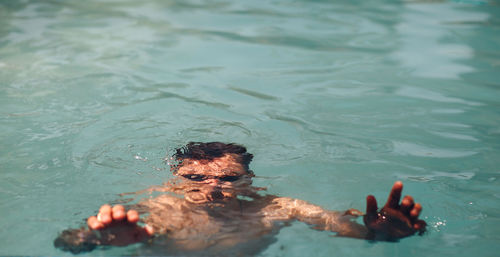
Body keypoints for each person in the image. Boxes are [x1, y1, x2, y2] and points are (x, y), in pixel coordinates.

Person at [54, 142, 426, 255]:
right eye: (195, 178)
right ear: (173, 180)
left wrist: (380, 234)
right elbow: (66, 241)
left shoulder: (280, 208)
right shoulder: (154, 206)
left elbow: (344, 228)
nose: (213, 187)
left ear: (250, 181)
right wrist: (97, 239)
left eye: (229, 178)